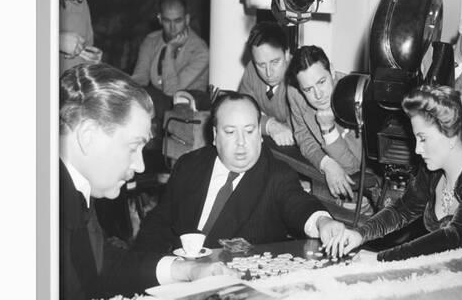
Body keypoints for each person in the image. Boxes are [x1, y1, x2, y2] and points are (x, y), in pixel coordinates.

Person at [59, 63, 232, 300]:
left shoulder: (73, 186)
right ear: (88, 136)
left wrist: (183, 270)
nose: (140, 166)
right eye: (133, 147)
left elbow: (102, 265)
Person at [133, 92, 347, 254]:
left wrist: (322, 222)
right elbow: (161, 220)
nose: (242, 143)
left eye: (249, 130)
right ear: (215, 135)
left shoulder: (276, 176)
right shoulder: (189, 164)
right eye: (230, 132)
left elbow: (299, 204)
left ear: (260, 135)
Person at [337, 85, 462, 261]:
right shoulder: (433, 174)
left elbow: (453, 238)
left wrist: (381, 259)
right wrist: (360, 234)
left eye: (423, 139)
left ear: (452, 135)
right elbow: (401, 210)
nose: (417, 149)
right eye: (416, 139)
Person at [286, 45, 363, 199]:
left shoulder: (354, 95)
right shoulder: (294, 92)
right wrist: (326, 164)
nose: (318, 95)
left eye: (321, 82)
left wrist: (328, 129)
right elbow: (304, 138)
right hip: (326, 175)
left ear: (332, 71)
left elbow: (352, 166)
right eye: (308, 89)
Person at [131, 0, 210, 122]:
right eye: (167, 21)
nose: (173, 28)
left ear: (187, 19)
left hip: (189, 109)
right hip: (157, 104)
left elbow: (172, 92)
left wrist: (169, 52)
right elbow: (139, 78)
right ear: (160, 19)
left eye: (178, 21)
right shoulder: (151, 41)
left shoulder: (200, 51)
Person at [239, 21, 294, 146]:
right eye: (261, 65)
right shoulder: (252, 69)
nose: (269, 73)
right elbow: (242, 112)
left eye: (275, 62)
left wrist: (259, 121)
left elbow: (299, 129)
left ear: (286, 54)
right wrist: (270, 125)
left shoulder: (299, 76)